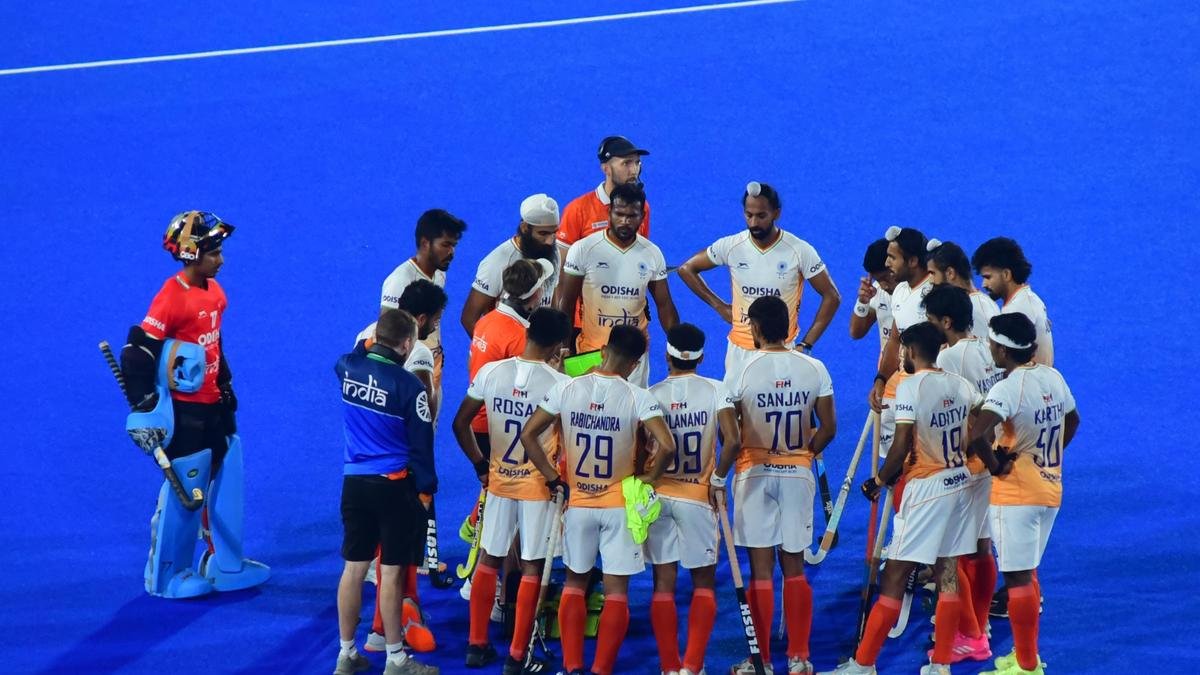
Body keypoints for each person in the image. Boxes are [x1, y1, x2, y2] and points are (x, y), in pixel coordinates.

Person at [121, 211, 269, 599]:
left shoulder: (215, 293)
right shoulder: (170, 299)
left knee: (226, 474)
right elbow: (137, 354)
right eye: (214, 253)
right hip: (186, 412)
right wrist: (144, 408)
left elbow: (213, 344)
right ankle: (166, 575)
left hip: (215, 403)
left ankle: (224, 562)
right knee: (187, 488)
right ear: (191, 254)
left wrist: (225, 382)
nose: (221, 260)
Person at [821, 322, 980, 675]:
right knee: (947, 574)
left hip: (926, 490)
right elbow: (979, 430)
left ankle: (863, 665)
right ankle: (940, 665)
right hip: (960, 484)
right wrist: (985, 462)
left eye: (904, 351)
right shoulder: (961, 384)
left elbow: (901, 444)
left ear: (911, 351)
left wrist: (878, 480)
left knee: (894, 575)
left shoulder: (910, 387)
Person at [519, 325, 676, 675]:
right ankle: (601, 670)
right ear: (635, 364)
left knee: (575, 583)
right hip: (619, 506)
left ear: (604, 350)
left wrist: (552, 477)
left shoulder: (566, 388)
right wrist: (650, 478)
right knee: (617, 592)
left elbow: (528, 434)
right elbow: (667, 445)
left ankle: (573, 667)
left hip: (578, 503)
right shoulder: (638, 397)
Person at [718, 295, 837, 675]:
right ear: (788, 327)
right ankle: (799, 658)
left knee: (760, 570)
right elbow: (829, 428)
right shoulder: (814, 367)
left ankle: (762, 661)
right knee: (795, 567)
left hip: (754, 474)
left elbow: (728, 434)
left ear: (754, 328)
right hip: (797, 474)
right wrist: (804, 453)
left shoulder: (740, 370)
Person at [452, 307, 572, 674]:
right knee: (533, 565)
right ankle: (517, 655)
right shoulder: (560, 383)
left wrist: (480, 465)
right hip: (539, 488)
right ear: (558, 345)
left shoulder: (491, 372)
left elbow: (460, 424)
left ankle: (476, 645)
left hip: (499, 481)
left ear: (528, 332)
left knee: (489, 557)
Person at [966, 314, 1079, 675]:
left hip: (1016, 495)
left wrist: (996, 466)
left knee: (1017, 578)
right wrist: (1049, 455)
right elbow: (1073, 420)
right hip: (1049, 487)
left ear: (1002, 349)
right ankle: (1024, 656)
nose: (989, 348)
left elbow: (976, 435)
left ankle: (1027, 667)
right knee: (1026, 573)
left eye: (992, 343)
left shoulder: (1007, 388)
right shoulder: (1052, 376)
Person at [334, 310, 439, 675]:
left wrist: (371, 342)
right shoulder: (410, 387)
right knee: (391, 574)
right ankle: (395, 659)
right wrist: (426, 489)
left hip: (354, 485)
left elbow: (355, 353)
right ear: (407, 344)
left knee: (353, 569)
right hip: (394, 488)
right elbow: (422, 447)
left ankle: (346, 653)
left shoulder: (347, 367)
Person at [355, 279, 448, 655]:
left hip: (363, 457)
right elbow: (423, 411)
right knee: (400, 552)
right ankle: (386, 631)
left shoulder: (367, 334)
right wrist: (424, 477)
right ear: (421, 319)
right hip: (402, 462)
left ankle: (378, 630)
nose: (435, 327)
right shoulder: (419, 350)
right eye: (435, 320)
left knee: (374, 553)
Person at [676, 181, 840, 388]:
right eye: (749, 215)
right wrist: (720, 306)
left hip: (782, 349)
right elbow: (686, 269)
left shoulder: (799, 250)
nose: (753, 222)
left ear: (776, 213)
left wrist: (806, 344)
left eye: (761, 216)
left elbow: (832, 296)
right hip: (740, 351)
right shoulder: (731, 246)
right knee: (735, 408)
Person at [645, 323, 741, 675]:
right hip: (699, 499)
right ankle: (692, 667)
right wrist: (719, 479)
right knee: (703, 582)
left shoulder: (651, 394)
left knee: (663, 583)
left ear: (666, 355)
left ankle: (669, 667)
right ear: (701, 357)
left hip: (659, 497)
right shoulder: (716, 390)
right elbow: (733, 441)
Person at [923, 283, 1003, 663]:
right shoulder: (988, 348)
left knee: (949, 556)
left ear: (945, 322)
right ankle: (980, 625)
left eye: (930, 320)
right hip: (993, 459)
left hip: (967, 464)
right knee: (982, 547)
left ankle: (969, 635)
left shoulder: (949, 358)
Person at [555, 182, 679, 387]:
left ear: (642, 216)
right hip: (591, 354)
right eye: (619, 214)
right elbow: (566, 303)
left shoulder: (652, 254)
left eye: (632, 216)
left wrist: (678, 345)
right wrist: (563, 347)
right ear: (609, 212)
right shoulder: (584, 250)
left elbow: (664, 305)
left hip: (634, 358)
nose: (625, 221)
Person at [555, 136, 653, 340]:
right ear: (606, 168)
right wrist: (560, 327)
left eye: (637, 163)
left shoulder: (642, 207)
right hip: (583, 324)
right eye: (626, 163)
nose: (634, 170)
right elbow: (561, 273)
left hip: (625, 320)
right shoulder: (578, 210)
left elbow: (639, 256)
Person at [381, 209, 468, 416]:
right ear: (425, 243)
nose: (452, 252)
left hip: (431, 367)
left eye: (454, 245)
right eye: (445, 245)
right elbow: (385, 336)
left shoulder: (438, 274)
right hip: (409, 376)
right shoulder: (399, 282)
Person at [460, 194, 561, 337]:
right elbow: (469, 318)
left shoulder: (553, 253)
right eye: (543, 233)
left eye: (554, 233)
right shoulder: (497, 261)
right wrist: (493, 347)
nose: (550, 241)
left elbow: (552, 301)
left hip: (540, 347)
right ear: (524, 228)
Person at [868, 226, 934, 413]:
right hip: (906, 390)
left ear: (912, 261)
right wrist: (881, 379)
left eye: (892, 257)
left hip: (930, 395)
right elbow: (895, 339)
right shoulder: (899, 291)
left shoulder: (935, 293)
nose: (887, 263)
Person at [971, 237, 1054, 366]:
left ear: (1006, 274)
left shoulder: (1017, 310)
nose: (983, 284)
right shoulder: (1031, 299)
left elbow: (1011, 360)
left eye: (988, 277)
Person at [926, 238, 999, 338]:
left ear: (950, 273)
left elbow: (984, 347)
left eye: (932, 273)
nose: (930, 280)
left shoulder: (976, 308)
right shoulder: (972, 303)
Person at [848, 238, 896, 358]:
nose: (883, 286)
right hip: (889, 367)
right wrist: (862, 302)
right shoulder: (876, 290)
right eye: (878, 280)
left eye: (885, 278)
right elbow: (856, 332)